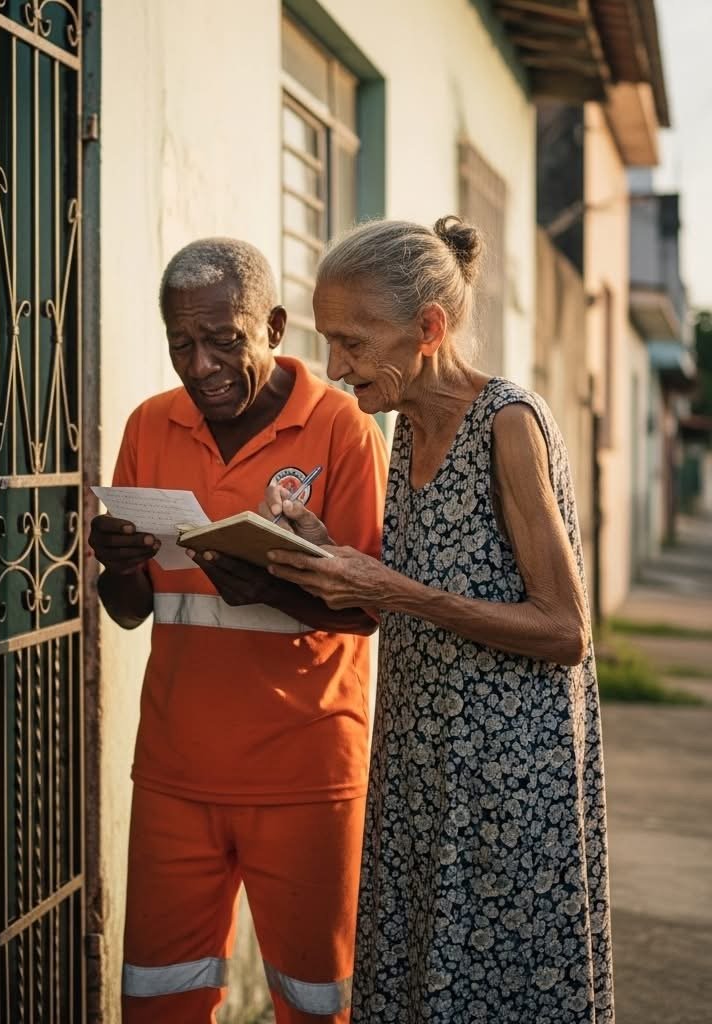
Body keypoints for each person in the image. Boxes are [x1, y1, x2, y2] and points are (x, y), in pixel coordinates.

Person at [264, 217, 614, 1024]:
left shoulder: (508, 424)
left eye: (351, 342)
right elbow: (417, 589)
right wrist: (326, 555)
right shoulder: (403, 428)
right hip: (420, 768)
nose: (333, 366)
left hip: (505, 781)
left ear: (429, 328)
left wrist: (391, 587)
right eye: (328, 340)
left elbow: (566, 630)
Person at [88, 237, 388, 1023]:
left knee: (318, 1001)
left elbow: (369, 610)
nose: (203, 364)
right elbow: (131, 609)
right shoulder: (150, 425)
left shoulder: (343, 428)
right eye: (181, 344)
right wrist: (116, 563)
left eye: (225, 340)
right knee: (160, 996)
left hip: (308, 776)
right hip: (173, 775)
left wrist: (273, 588)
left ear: (276, 327)